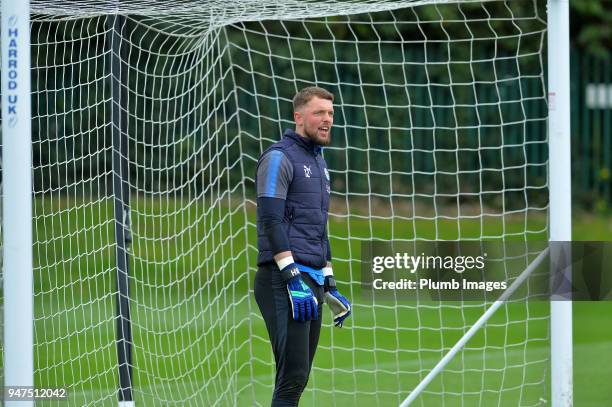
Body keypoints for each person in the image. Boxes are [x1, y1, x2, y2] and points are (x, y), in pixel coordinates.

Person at [254, 86, 352, 406]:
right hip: (283, 279)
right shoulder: (278, 157)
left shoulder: (321, 164)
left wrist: (330, 283)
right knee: (292, 376)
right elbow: (271, 220)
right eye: (319, 113)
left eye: (331, 114)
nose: (327, 120)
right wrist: (292, 277)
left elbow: (317, 229)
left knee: (299, 379)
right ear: (299, 117)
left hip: (312, 280)